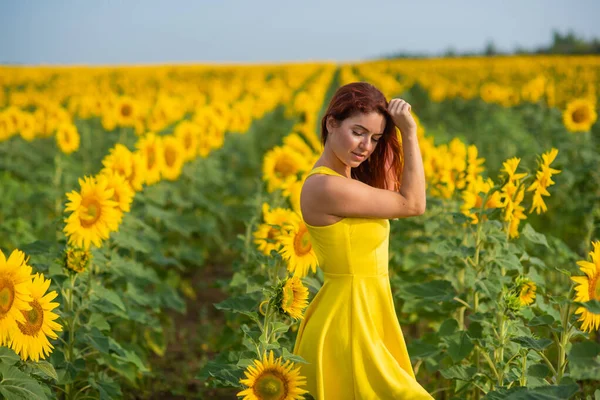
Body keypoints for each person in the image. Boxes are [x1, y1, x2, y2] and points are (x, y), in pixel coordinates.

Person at [292, 82, 433, 399]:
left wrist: (390, 138)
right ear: (331, 123)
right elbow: (413, 204)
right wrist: (409, 133)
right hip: (347, 320)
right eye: (358, 132)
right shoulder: (326, 188)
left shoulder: (349, 180)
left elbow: (393, 188)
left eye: (375, 138)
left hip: (367, 311)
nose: (366, 146)